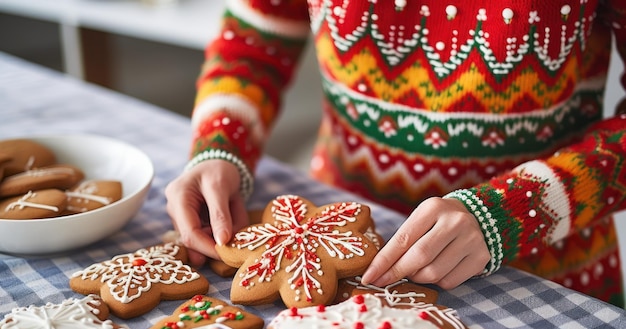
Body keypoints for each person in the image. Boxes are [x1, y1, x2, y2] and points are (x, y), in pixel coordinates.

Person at [165, 0, 626, 307]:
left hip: (544, 276)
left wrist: (518, 209)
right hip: (343, 246)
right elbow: (252, 40)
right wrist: (218, 144)